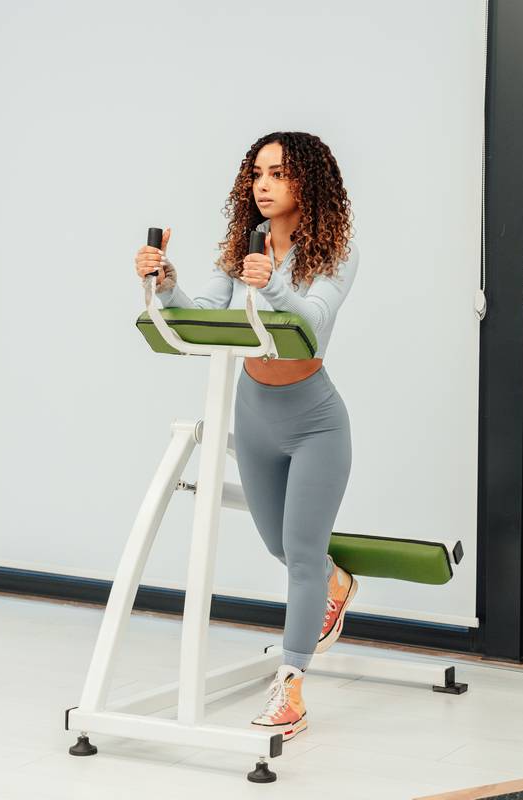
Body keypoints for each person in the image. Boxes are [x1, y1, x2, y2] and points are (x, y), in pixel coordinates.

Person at [132, 131, 360, 742]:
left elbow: (310, 322)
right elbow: (203, 313)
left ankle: (291, 686)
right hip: (253, 414)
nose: (264, 184)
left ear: (306, 184)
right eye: (257, 172)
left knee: (302, 557)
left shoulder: (335, 254)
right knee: (281, 546)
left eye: (280, 173)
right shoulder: (239, 250)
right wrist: (166, 282)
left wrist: (271, 283)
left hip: (314, 420)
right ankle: (338, 584)